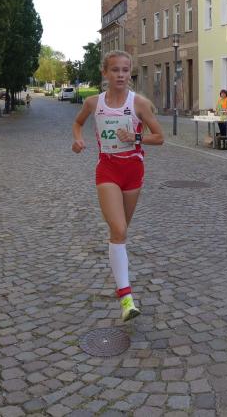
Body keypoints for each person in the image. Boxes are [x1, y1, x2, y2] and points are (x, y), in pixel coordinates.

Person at [72, 50, 164, 321]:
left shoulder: (139, 104)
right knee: (119, 229)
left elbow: (159, 137)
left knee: (120, 234)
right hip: (108, 169)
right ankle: (126, 298)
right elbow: (78, 123)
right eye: (115, 70)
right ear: (105, 73)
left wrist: (136, 137)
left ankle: (120, 277)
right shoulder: (93, 103)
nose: (121, 75)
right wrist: (78, 139)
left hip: (133, 172)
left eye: (125, 70)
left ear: (129, 73)